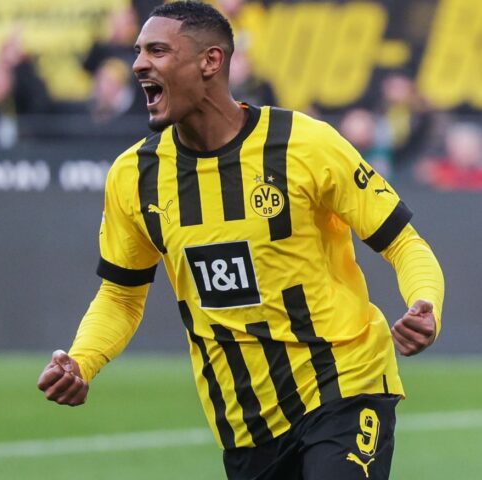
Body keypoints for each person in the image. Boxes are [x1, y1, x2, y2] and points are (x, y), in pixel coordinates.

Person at [37, 2, 444, 479]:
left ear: (210, 61)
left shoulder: (304, 144)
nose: (139, 64)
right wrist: (82, 360)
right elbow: (121, 295)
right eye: (139, 51)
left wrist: (425, 303)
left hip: (345, 385)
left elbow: (404, 242)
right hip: (245, 424)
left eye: (158, 51)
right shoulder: (135, 176)